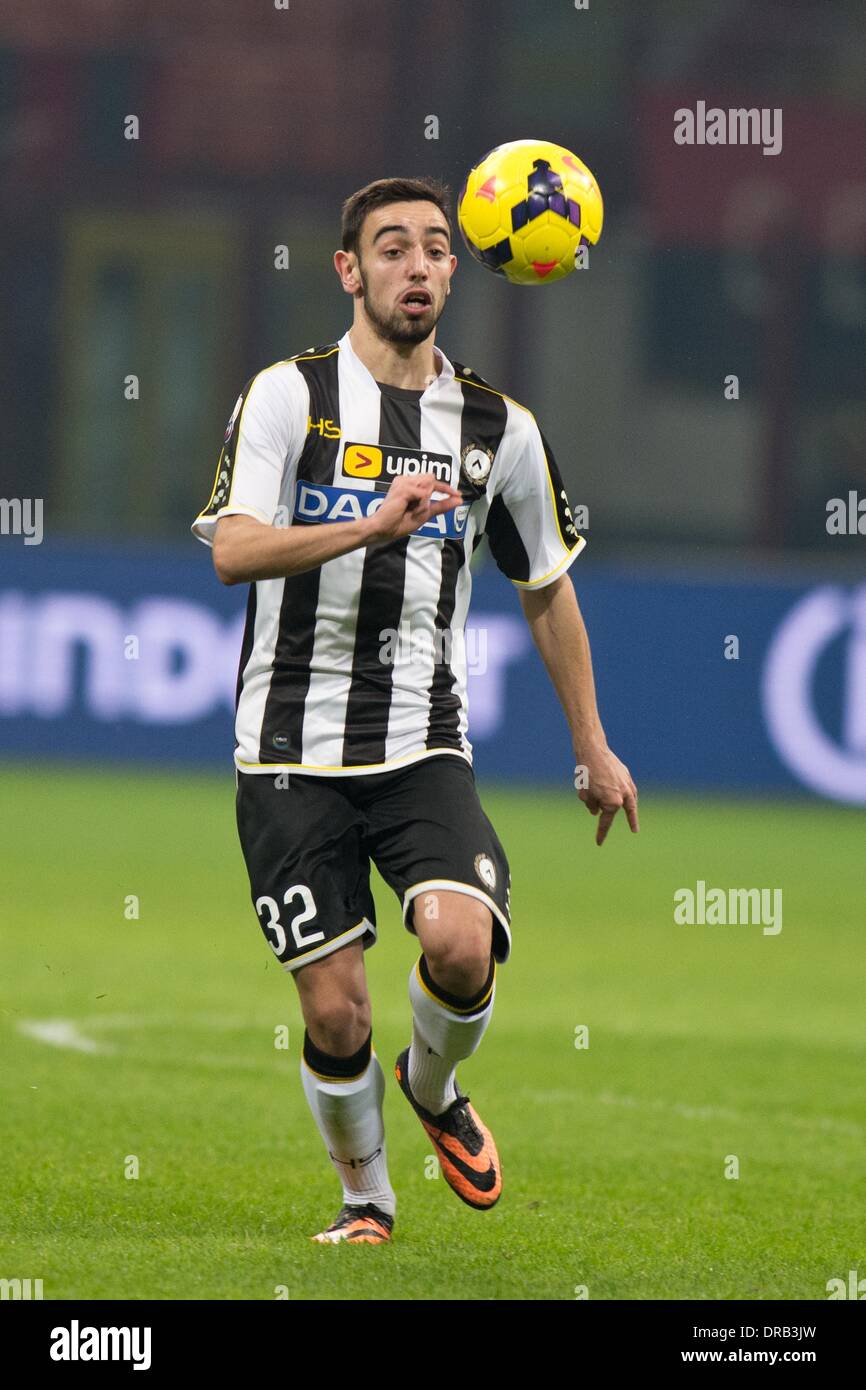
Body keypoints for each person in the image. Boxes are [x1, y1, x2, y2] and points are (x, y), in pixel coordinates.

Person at [191, 176, 638, 1244]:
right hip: (288, 746)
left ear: (459, 267)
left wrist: (589, 739)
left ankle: (431, 1087)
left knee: (460, 947)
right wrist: (367, 527)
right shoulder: (287, 398)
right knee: (335, 1005)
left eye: (436, 248)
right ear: (348, 271)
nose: (417, 266)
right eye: (391, 249)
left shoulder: (499, 428)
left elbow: (544, 584)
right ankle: (366, 1200)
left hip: (419, 736)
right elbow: (232, 550)